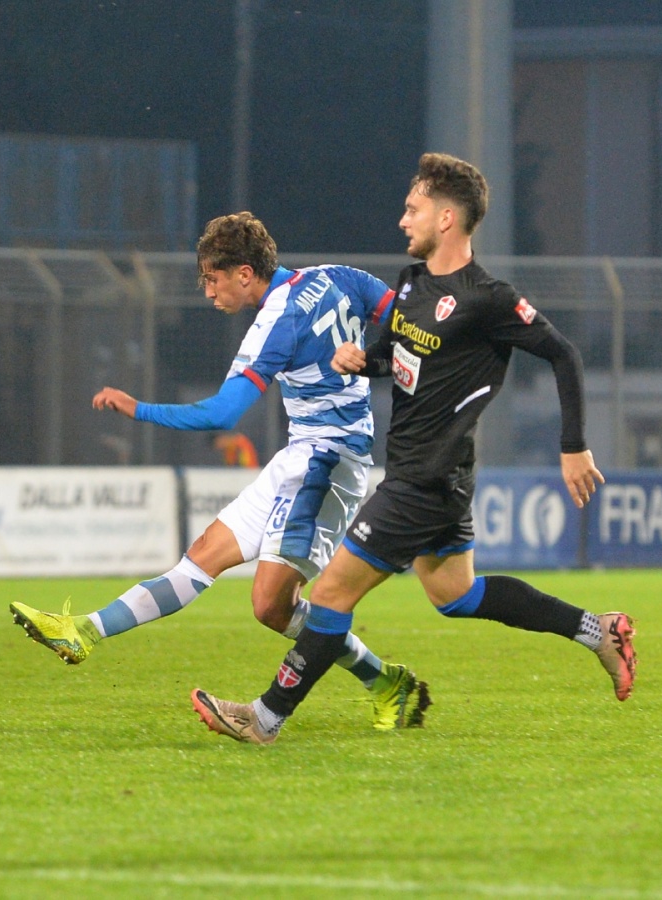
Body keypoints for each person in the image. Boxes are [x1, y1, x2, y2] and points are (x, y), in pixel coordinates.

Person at [191, 153, 636, 745]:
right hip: (425, 474)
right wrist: (363, 360)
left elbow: (564, 354)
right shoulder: (411, 283)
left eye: (413, 209)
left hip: (425, 481)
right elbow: (396, 356)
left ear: (447, 219)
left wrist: (574, 446)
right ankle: (598, 630)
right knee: (458, 595)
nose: (404, 220)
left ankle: (265, 717)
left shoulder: (488, 299)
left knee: (326, 596)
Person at [11, 212, 429, 731]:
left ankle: (380, 681)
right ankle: (84, 631)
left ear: (245, 273)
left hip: (327, 460)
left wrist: (138, 408)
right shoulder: (339, 276)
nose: (208, 292)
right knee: (202, 558)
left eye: (212, 278)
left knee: (270, 606)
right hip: (301, 456)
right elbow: (408, 318)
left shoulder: (276, 321)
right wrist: (380, 357)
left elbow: (220, 415)